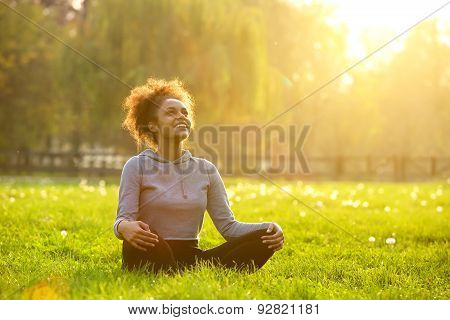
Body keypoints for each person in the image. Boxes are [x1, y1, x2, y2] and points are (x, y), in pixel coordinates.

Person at [113, 77, 284, 275]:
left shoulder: (206, 170)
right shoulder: (136, 166)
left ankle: (177, 272)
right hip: (149, 249)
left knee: (265, 237)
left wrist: (270, 227)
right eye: (171, 113)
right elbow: (123, 220)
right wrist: (124, 228)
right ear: (152, 125)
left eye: (184, 112)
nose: (181, 116)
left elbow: (229, 227)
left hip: (192, 258)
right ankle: (171, 270)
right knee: (152, 241)